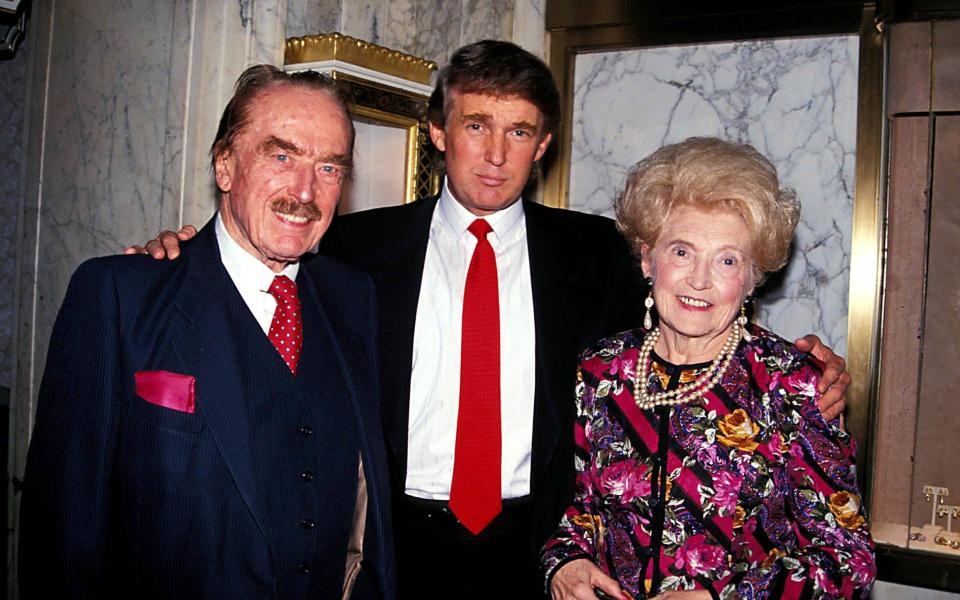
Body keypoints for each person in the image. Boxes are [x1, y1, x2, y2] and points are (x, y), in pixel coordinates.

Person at [128, 42, 850, 598]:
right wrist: (179, 251)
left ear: (543, 146)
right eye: (476, 124)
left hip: (537, 548)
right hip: (392, 542)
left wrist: (812, 369)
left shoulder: (598, 252)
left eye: (519, 131)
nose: (496, 153)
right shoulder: (354, 246)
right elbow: (257, 257)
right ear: (440, 131)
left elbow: (698, 330)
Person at [19, 65, 394, 599]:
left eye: (330, 167)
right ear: (224, 166)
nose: (305, 190)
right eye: (281, 155)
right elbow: (63, 526)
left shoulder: (354, 298)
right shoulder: (120, 296)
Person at [541, 137, 875, 600]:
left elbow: (848, 562)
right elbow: (583, 506)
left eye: (727, 260)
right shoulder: (602, 371)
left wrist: (726, 598)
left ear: (753, 277)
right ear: (646, 258)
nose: (699, 279)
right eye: (681, 251)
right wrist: (566, 560)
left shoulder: (791, 384)